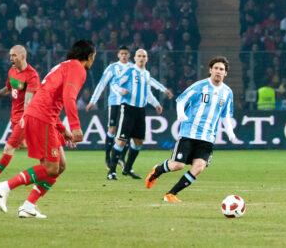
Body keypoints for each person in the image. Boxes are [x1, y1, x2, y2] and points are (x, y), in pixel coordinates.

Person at [0, 40, 96, 218]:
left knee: (60, 165)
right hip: (42, 117)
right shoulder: (78, 68)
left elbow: (49, 96)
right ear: (90, 56)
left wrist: (63, 130)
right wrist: (75, 127)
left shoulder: (64, 65)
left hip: (44, 116)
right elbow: (69, 97)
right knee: (51, 168)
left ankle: (28, 206)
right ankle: (4, 187)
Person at [145, 56, 236, 202]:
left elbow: (225, 114)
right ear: (210, 70)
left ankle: (171, 194)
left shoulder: (227, 92)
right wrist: (181, 114)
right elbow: (181, 100)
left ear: (225, 73)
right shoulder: (200, 86)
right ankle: (157, 170)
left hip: (207, 137)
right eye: (216, 68)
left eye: (222, 69)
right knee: (177, 165)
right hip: (189, 133)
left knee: (198, 167)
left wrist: (230, 132)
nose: (218, 71)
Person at [85, 46, 173, 171]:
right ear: (118, 55)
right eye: (122, 53)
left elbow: (148, 86)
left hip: (129, 104)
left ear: (130, 55)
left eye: (126, 53)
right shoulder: (113, 68)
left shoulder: (135, 68)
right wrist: (93, 101)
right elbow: (102, 84)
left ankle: (121, 158)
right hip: (115, 102)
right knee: (112, 129)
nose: (124, 56)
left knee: (127, 134)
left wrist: (160, 96)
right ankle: (108, 158)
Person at [0, 45, 40, 189]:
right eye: (10, 55)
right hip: (15, 117)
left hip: (25, 118)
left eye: (14, 56)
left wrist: (25, 119)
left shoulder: (32, 75)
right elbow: (8, 89)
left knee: (8, 148)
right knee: (23, 146)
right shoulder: (12, 71)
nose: (11, 58)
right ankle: (48, 148)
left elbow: (29, 102)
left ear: (23, 56)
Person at [106, 49, 165, 180]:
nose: (141, 58)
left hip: (140, 110)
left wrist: (156, 104)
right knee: (121, 140)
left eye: (144, 56)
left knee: (138, 142)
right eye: (139, 56)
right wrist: (121, 90)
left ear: (147, 59)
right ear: (135, 58)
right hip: (127, 109)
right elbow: (115, 83)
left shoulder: (147, 74)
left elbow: (147, 93)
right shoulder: (130, 71)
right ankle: (112, 171)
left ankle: (127, 168)